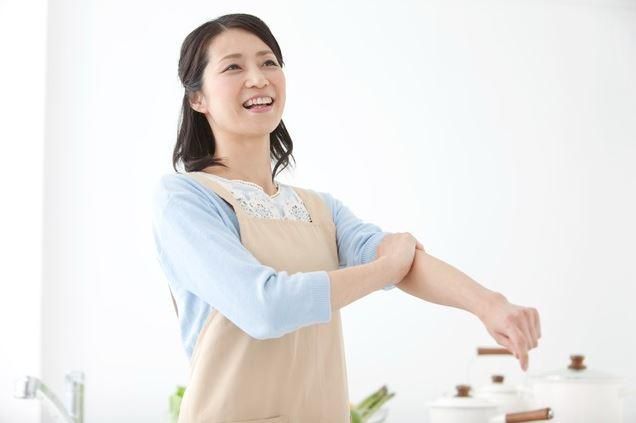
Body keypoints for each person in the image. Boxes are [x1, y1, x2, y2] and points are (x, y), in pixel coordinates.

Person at [151, 13, 541, 423]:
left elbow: (405, 261)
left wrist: (490, 305)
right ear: (197, 98)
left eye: (269, 62)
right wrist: (384, 269)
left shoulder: (319, 208)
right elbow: (265, 307)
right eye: (233, 67)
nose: (258, 78)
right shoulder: (186, 199)